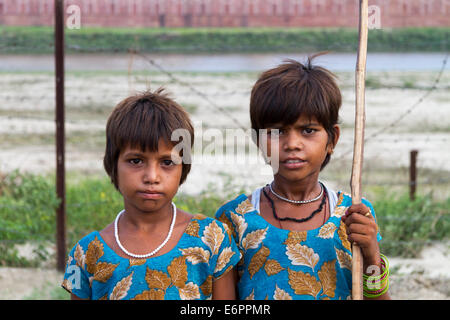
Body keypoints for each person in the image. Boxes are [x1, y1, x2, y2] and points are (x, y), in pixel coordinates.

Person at [215, 54, 390, 300]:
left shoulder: (353, 215)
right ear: (258, 140)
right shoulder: (234, 219)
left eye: (308, 130)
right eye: (277, 132)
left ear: (332, 139)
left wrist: (372, 253)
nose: (292, 144)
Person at [62, 88, 240, 300]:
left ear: (183, 168)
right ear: (113, 164)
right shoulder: (85, 254)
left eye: (167, 162)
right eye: (136, 161)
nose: (152, 176)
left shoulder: (212, 238)